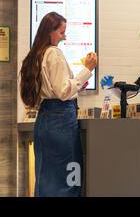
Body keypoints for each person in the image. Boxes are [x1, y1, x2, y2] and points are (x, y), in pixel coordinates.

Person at [19, 12, 97, 197]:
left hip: (45, 119)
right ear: (50, 32)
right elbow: (63, 92)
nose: (65, 36)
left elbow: (53, 88)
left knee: (46, 177)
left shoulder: (36, 55)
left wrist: (75, 84)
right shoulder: (54, 53)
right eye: (62, 32)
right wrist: (87, 69)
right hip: (61, 120)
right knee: (69, 175)